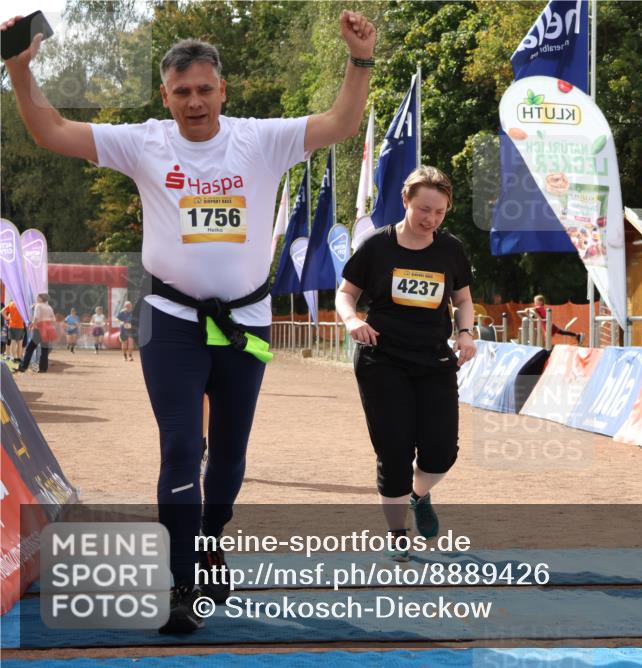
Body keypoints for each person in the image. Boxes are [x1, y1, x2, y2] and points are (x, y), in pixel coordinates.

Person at [2, 9, 375, 634]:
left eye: (205, 89)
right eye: (182, 92)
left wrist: (358, 60)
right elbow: (52, 131)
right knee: (181, 444)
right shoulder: (144, 141)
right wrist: (19, 70)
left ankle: (209, 535)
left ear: (222, 90)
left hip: (247, 323)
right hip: (169, 318)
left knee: (229, 454)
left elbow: (341, 122)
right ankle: (180, 583)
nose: (194, 102)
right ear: (165, 96)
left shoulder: (261, 138)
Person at [336, 166, 476, 563]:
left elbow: (463, 299)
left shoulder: (450, 249)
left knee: (441, 452)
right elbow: (346, 293)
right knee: (394, 450)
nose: (430, 219)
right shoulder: (377, 247)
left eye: (440, 212)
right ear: (405, 202)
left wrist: (465, 333)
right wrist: (352, 320)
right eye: (423, 209)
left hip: (434, 359)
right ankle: (398, 533)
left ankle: (419, 496)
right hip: (383, 359)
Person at [14, 294, 56, 374]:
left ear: (40, 298)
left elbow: (36, 318)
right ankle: (43, 369)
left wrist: (32, 325)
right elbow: (53, 319)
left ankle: (23, 367)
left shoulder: (38, 306)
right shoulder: (49, 307)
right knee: (44, 350)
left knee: (30, 349)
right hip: (47, 329)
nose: (37, 298)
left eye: (38, 297)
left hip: (39, 329)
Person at [518, 295, 583, 344]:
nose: (535, 303)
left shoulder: (540, 307)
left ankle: (577, 335)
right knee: (562, 332)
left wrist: (527, 309)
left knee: (552, 336)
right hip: (548, 325)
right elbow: (533, 311)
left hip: (549, 325)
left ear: (540, 302)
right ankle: (577, 335)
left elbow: (533, 309)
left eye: (536, 302)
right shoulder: (539, 308)